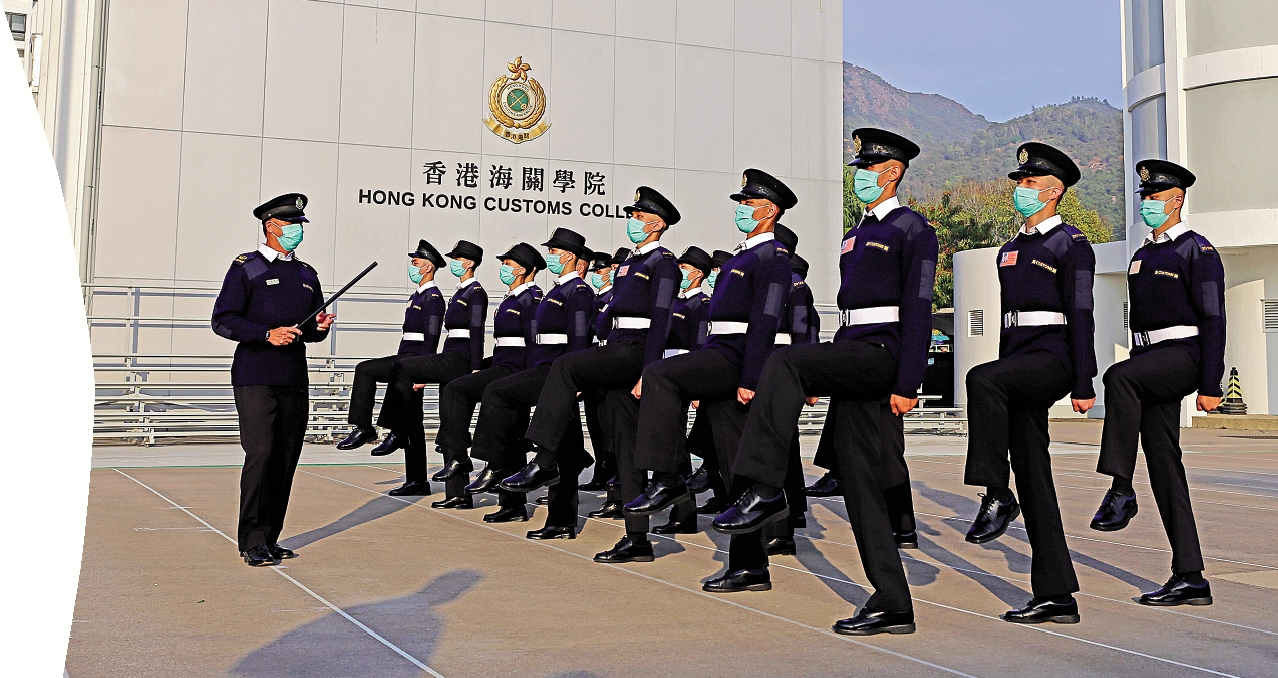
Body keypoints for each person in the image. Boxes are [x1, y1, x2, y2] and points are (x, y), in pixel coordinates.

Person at [720, 130, 935, 636]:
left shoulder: (913, 229)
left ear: (892, 172)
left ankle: (768, 488)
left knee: (787, 363)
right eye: (857, 165)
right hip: (853, 351)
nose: (858, 173)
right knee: (862, 486)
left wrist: (909, 381)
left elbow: (921, 308)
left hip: (883, 354)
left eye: (867, 166)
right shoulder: (855, 233)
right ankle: (893, 602)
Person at [626, 169, 796, 576]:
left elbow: (766, 320)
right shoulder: (743, 255)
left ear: (769, 211)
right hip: (719, 353)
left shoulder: (773, 257)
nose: (739, 209)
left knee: (661, 376)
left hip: (737, 358)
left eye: (747, 203)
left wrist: (751, 377)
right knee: (734, 463)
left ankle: (668, 476)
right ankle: (750, 566)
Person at [507, 188, 682, 562]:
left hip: (635, 353)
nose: (631, 221)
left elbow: (662, 320)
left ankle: (544, 459)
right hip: (616, 350)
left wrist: (648, 371)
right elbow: (610, 312)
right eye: (631, 214)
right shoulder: (630, 263)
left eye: (638, 216)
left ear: (656, 223)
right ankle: (637, 539)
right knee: (627, 451)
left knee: (566, 365)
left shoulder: (663, 262)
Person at [961, 142, 1097, 624]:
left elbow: (1081, 313)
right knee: (1036, 478)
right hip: (1019, 365)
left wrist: (1083, 380)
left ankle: (996, 493)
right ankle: (1057, 594)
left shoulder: (1071, 243)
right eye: (1018, 181)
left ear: (1055, 191)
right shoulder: (1011, 248)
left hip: (1054, 358)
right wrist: (1005, 371)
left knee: (978, 379)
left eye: (1030, 182)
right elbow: (1007, 321)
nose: (1021, 189)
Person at [1089, 160, 1223, 606]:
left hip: (1183, 354)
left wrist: (1211, 383)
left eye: (1153, 195)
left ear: (1176, 199)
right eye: (1142, 196)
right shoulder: (1143, 254)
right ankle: (1190, 576)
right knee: (1166, 465)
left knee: (1116, 376)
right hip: (1149, 358)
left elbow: (1213, 319)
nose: (1145, 202)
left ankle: (1121, 489)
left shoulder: (1196, 251)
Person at [211, 193, 336, 567]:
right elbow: (223, 320)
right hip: (256, 375)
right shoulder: (246, 268)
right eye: (292, 224)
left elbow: (308, 331)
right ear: (271, 225)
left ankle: (270, 538)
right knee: (261, 453)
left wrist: (319, 328)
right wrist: (266, 334)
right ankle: (250, 539)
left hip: (294, 376)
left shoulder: (306, 274)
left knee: (285, 458)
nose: (298, 230)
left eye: (300, 224)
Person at [468, 229, 597, 533]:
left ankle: (497, 465)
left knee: (498, 392)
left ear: (568, 256)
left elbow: (580, 338)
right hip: (547, 372)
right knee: (565, 448)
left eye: (554, 251)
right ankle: (561, 521)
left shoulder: (577, 292)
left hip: (558, 373)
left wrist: (575, 377)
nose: (550, 256)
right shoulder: (556, 291)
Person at [364, 240, 487, 497]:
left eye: (457, 258)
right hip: (448, 355)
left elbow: (476, 332)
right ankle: (451, 492)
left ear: (470, 262)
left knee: (453, 423)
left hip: (459, 360)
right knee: (446, 422)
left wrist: (475, 368)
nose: (453, 262)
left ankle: (457, 492)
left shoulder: (474, 293)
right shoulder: (458, 293)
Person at [432, 244, 543, 510]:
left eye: (508, 263)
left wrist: (527, 378)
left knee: (512, 438)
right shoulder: (511, 298)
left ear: (523, 269)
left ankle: (508, 499)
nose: (503, 268)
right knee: (459, 390)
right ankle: (461, 458)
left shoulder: (532, 299)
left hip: (516, 369)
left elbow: (532, 341)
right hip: (501, 363)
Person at [333, 242, 460, 451]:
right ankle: (415, 481)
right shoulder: (417, 296)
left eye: (415, 262)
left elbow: (432, 336)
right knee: (412, 421)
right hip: (405, 356)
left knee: (366, 370)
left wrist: (422, 371)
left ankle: (371, 428)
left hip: (415, 359)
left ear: (428, 267)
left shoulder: (433, 298)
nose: (412, 266)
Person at [650, 246, 713, 535]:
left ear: (699, 273)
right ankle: (680, 509)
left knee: (677, 443)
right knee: (669, 440)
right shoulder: (675, 302)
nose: (681, 274)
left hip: (686, 375)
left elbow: (701, 345)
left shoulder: (701, 304)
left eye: (686, 269)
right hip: (667, 376)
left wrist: (699, 384)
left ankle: (684, 514)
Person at [684, 248, 734, 515]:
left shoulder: (704, 304)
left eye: (718, 270)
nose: (716, 275)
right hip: (712, 370)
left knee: (726, 441)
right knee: (714, 434)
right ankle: (721, 492)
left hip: (726, 372)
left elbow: (699, 343)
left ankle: (719, 484)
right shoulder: (713, 302)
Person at [581, 249, 620, 492]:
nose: (597, 274)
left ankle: (612, 471)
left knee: (609, 424)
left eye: (601, 270)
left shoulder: (614, 298)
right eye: (594, 270)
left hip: (608, 361)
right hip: (593, 362)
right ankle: (600, 470)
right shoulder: (595, 299)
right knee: (595, 423)